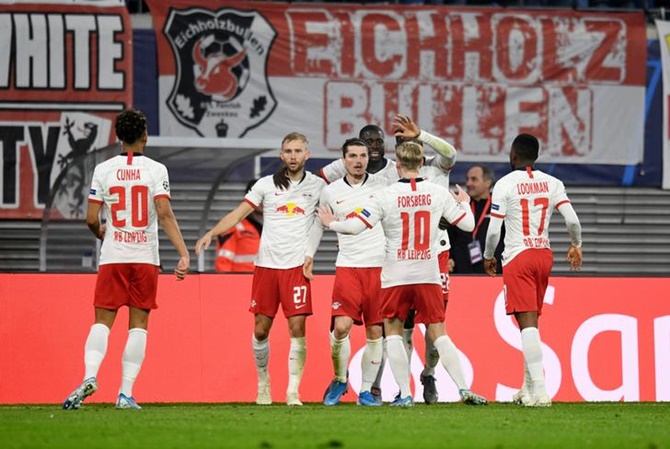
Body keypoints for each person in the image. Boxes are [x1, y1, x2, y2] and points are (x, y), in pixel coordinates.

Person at [317, 141, 487, 407]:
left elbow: (353, 227)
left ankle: (405, 394)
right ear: (421, 164)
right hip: (428, 273)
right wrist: (465, 203)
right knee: (438, 332)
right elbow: (467, 224)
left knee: (394, 334)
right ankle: (464, 389)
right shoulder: (437, 193)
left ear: (397, 166)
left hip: (396, 275)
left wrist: (331, 223)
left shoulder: (384, 195)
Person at [62, 108, 190, 410]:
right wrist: (183, 253)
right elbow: (164, 213)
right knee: (138, 325)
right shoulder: (156, 170)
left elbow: (91, 218)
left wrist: (100, 233)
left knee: (102, 322)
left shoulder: (103, 169)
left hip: (113, 256)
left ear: (118, 137)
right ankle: (125, 393)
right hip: (144, 257)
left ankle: (89, 376)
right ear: (144, 136)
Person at [195, 132, 325, 406]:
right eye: (288, 151)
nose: (293, 156)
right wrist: (211, 232)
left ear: (307, 155)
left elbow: (326, 218)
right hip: (266, 266)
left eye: (298, 151)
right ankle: (263, 383)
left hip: (296, 269)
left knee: (297, 326)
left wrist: (311, 251)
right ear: (281, 155)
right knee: (261, 330)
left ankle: (292, 392)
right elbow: (239, 213)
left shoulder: (317, 187)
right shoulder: (266, 185)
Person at [483, 133, 583, 407]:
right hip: (543, 255)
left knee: (527, 325)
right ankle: (526, 389)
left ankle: (540, 392)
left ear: (513, 155)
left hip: (518, 256)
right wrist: (576, 245)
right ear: (535, 156)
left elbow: (494, 230)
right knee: (531, 324)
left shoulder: (505, 184)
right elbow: (572, 220)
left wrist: (489, 256)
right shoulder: (553, 183)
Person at [305, 138, 388, 406]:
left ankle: (365, 390)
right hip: (348, 266)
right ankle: (340, 379)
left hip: (379, 266)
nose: (358, 160)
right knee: (341, 328)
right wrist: (309, 254)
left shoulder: (382, 186)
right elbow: (319, 224)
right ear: (343, 160)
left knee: (375, 332)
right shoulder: (331, 191)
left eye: (362, 155)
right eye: (352, 156)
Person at [448, 164, 504, 274]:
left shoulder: (499, 206)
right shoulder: (460, 205)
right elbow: (450, 236)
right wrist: (449, 257)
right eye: (467, 179)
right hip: (461, 273)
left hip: (492, 273)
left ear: (488, 182)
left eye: (474, 179)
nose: (468, 183)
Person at [215, 179, 262, 272]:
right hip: (241, 282)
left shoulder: (275, 225)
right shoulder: (232, 226)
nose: (263, 202)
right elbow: (223, 263)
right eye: (259, 197)